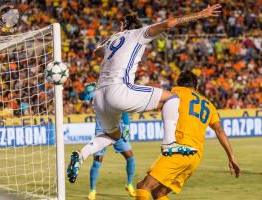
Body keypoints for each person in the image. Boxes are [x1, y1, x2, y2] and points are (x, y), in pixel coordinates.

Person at [67, 4, 222, 183]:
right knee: (171, 98)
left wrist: (117, 33)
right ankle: (169, 144)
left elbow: (96, 52)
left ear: (122, 25)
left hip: (99, 97)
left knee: (112, 136)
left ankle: (82, 154)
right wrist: (200, 15)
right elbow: (169, 23)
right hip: (119, 90)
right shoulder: (138, 33)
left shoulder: (112, 40)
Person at [136, 71, 241, 200]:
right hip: (195, 157)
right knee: (159, 193)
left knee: (143, 187)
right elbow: (220, 130)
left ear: (178, 84)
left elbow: (155, 103)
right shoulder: (209, 104)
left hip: (179, 150)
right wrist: (231, 156)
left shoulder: (176, 92)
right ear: (196, 87)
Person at [88, 112, 136, 200]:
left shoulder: (116, 99)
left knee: (130, 157)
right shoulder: (98, 100)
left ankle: (129, 184)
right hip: (101, 133)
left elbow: (124, 111)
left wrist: (126, 127)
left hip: (117, 131)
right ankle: (92, 190)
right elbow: (83, 97)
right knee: (97, 161)